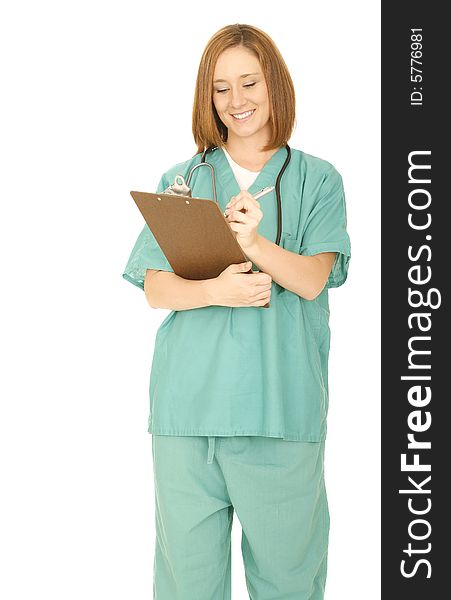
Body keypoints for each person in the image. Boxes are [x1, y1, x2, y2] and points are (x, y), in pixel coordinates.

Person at [122, 23, 351, 600]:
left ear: (274, 83)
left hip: (280, 414)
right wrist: (213, 292)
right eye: (221, 88)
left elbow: (314, 277)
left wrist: (256, 247)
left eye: (249, 82)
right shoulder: (185, 181)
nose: (237, 101)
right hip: (187, 416)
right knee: (186, 587)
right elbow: (154, 286)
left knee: (289, 583)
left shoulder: (317, 180)